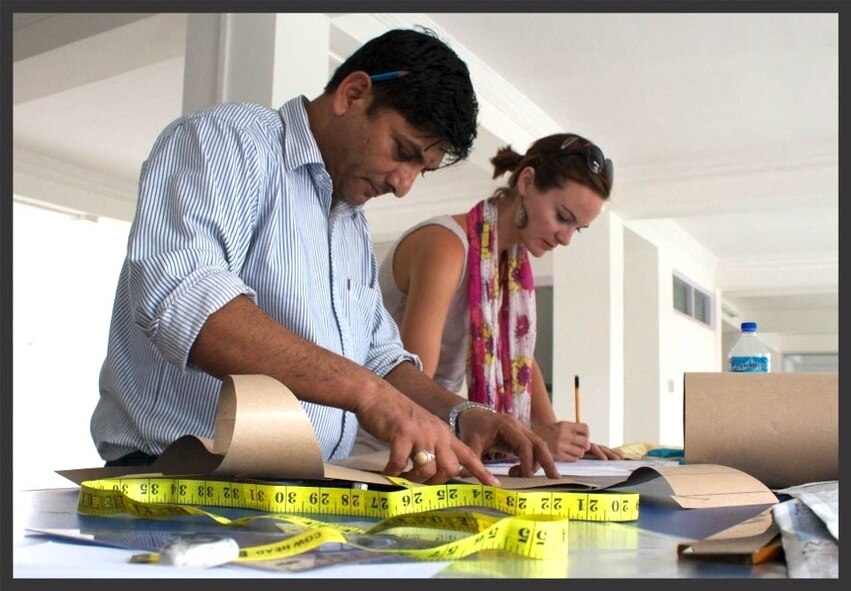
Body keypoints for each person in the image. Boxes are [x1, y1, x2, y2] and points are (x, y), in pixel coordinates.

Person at [89, 27, 560, 486]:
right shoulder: (226, 141)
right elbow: (186, 300)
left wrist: (462, 413)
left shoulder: (350, 224)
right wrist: (369, 395)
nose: (403, 186)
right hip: (176, 481)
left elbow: (380, 357)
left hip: (301, 489)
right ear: (353, 94)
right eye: (402, 151)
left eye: (422, 170)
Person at [353, 133, 623, 461]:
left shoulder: (508, 268)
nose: (565, 238)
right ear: (526, 182)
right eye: (562, 217)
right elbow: (410, 389)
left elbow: (521, 355)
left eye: (576, 228)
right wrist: (522, 437)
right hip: (381, 447)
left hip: (434, 444)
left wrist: (559, 442)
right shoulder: (446, 247)